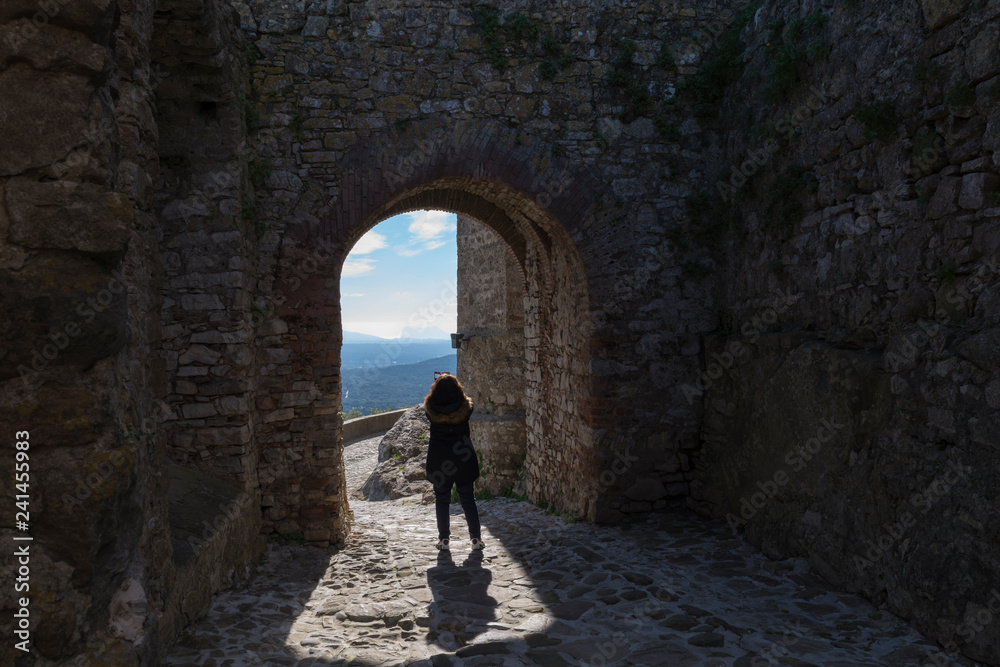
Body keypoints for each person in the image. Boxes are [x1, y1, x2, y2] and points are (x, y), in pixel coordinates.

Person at [423, 373, 484, 551]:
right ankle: (476, 539)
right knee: (467, 498)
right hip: (463, 459)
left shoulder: (430, 410)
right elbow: (468, 403)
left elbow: (429, 406)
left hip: (440, 460)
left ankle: (444, 539)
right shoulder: (467, 408)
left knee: (442, 499)